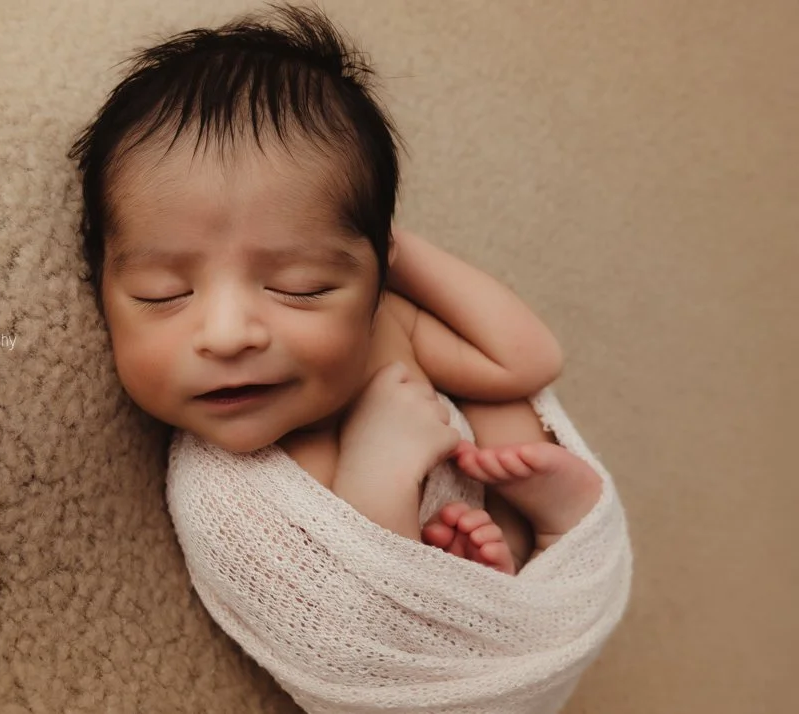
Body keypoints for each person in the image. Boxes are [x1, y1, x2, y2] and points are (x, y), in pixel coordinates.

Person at [68, 4, 601, 575]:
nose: (227, 336)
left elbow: (527, 361)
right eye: (162, 292)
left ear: (375, 279)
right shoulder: (231, 495)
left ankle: (547, 533)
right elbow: (354, 615)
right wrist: (380, 470)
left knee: (503, 406)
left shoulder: (385, 329)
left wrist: (384, 246)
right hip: (404, 610)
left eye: (302, 285)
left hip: (496, 539)